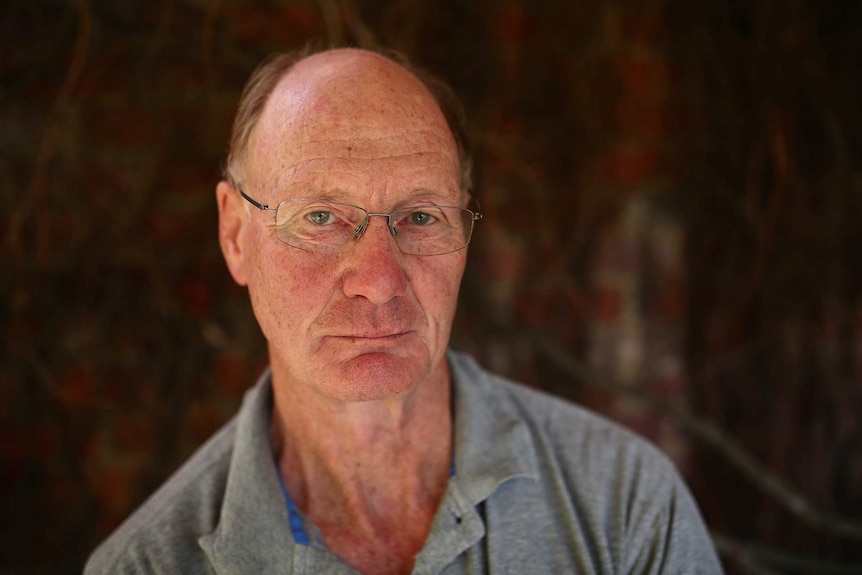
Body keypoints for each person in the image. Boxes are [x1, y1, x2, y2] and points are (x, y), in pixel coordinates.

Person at [85, 47, 724, 574]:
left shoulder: (625, 506)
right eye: (320, 218)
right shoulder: (147, 566)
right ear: (234, 235)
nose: (380, 282)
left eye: (421, 217)